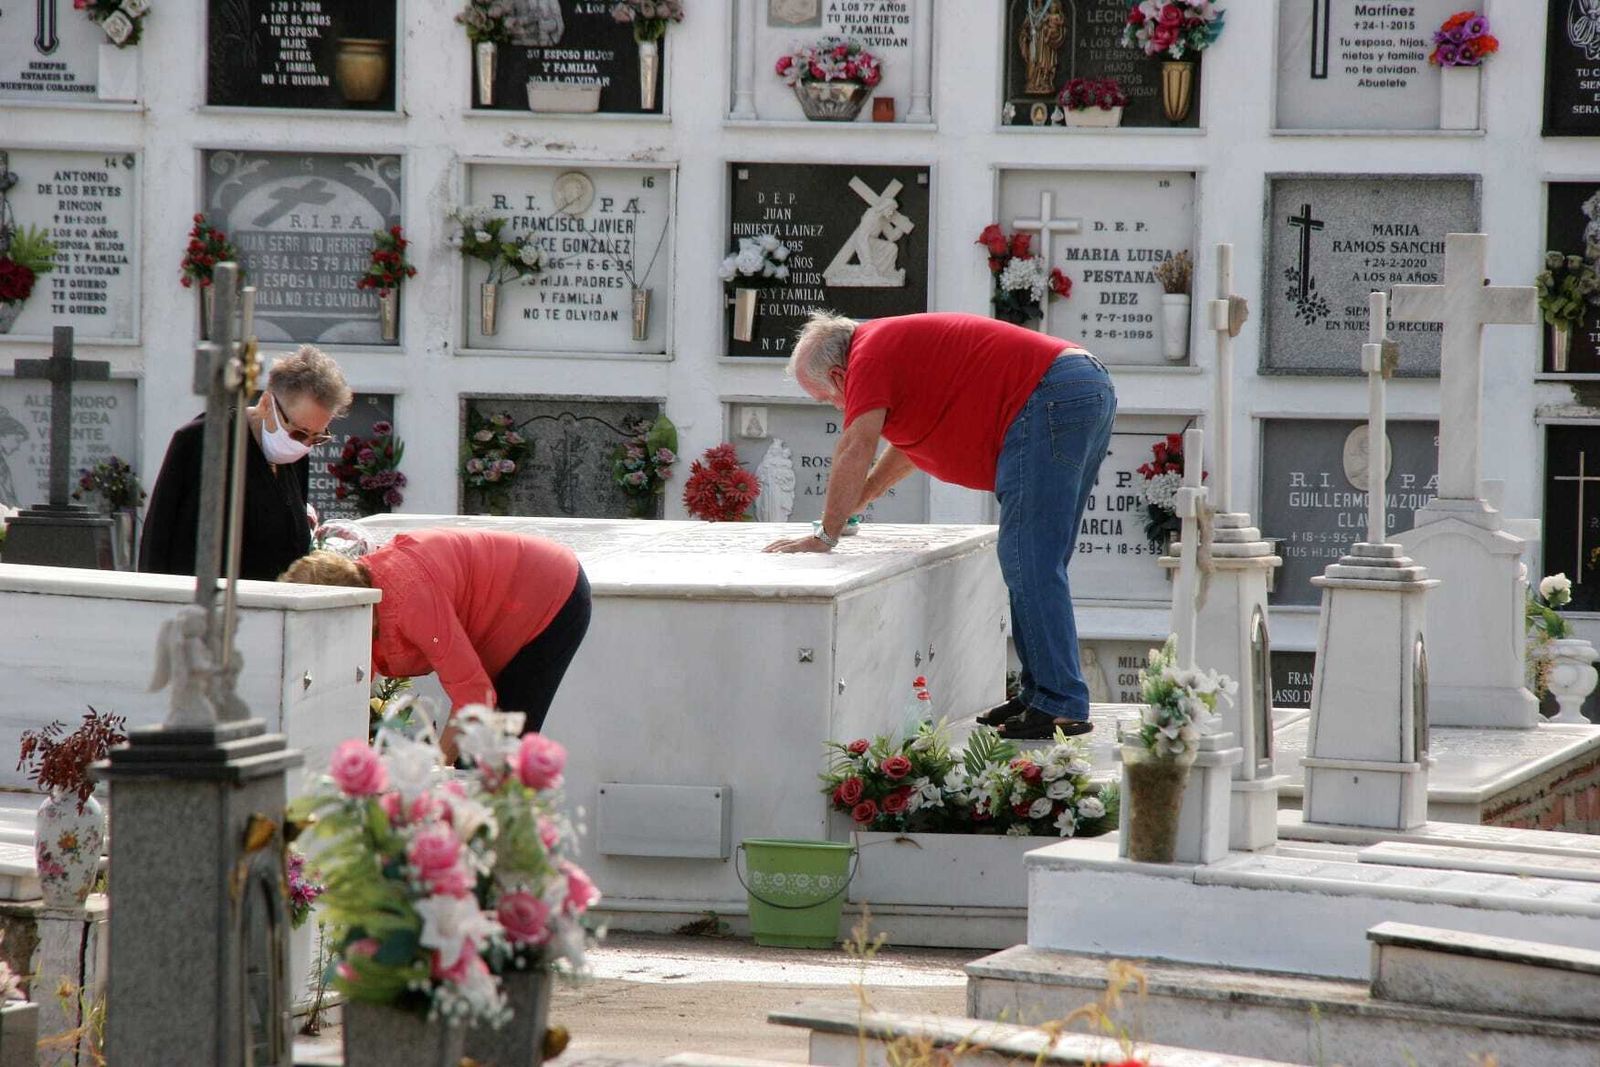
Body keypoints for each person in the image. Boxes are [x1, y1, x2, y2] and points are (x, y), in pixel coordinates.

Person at [765, 310, 1116, 740]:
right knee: (1034, 559)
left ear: (839, 375)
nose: (839, 405)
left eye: (828, 399)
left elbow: (855, 445)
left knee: (1029, 557)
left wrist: (825, 535)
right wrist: (857, 502)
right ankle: (1041, 693)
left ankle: (1059, 701)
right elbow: (911, 448)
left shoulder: (868, 357)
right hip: (1076, 388)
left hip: (1053, 394)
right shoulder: (888, 350)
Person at [280, 528, 590, 761]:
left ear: (343, 612)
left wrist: (436, 769)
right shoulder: (359, 600)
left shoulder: (409, 600)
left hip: (548, 593)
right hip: (506, 603)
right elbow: (348, 690)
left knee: (495, 755)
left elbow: (475, 695)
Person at [140, 345, 351, 582]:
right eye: (300, 433)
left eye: (318, 437)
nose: (305, 445)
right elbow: (159, 538)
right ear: (265, 405)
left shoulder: (295, 459)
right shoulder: (204, 440)